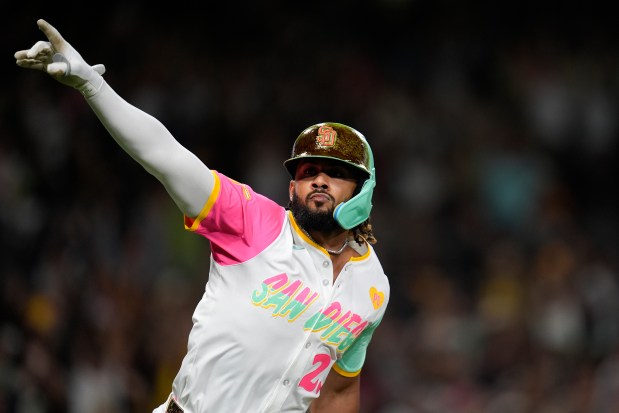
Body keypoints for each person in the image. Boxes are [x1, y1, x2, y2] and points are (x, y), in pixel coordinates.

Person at [15, 19, 390, 413]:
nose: (318, 181)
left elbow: (339, 391)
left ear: (363, 188)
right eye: (307, 172)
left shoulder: (372, 286)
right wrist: (93, 86)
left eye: (335, 173)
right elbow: (166, 155)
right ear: (291, 187)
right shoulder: (252, 221)